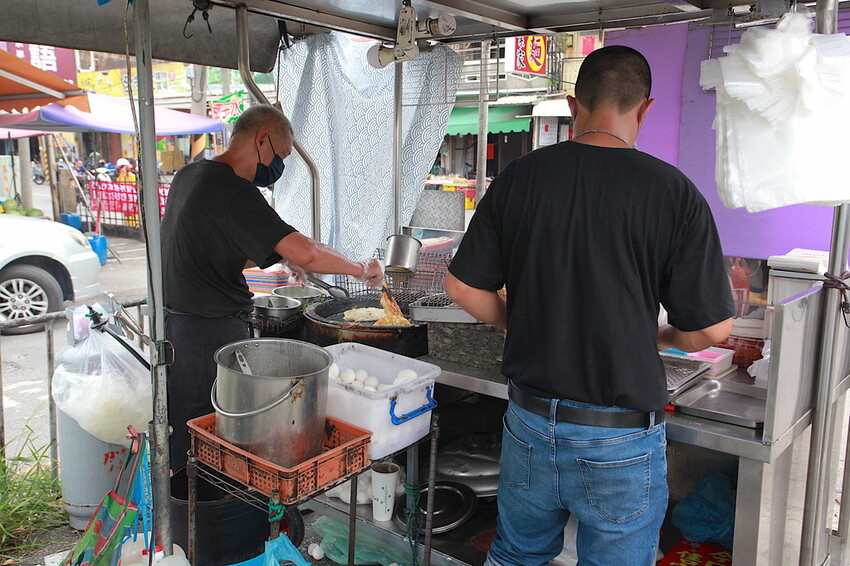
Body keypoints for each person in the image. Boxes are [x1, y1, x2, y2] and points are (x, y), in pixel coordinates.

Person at [444, 46, 734, 566]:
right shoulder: (674, 193)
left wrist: (521, 323)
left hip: (529, 423)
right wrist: (663, 337)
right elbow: (713, 330)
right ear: (645, 108)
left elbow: (462, 288)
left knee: (516, 554)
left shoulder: (520, 177)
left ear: (574, 105)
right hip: (619, 438)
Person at [161, 104, 384, 470]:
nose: (278, 167)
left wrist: (285, 257)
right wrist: (361, 269)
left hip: (180, 326)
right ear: (261, 137)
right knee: (213, 429)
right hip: (208, 329)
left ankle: (192, 503)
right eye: (280, 156)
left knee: (191, 424)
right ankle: (214, 510)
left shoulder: (192, 174)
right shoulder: (233, 190)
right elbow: (309, 253)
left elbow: (220, 247)